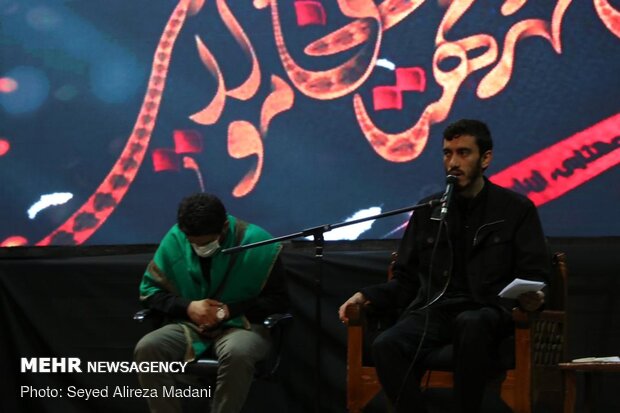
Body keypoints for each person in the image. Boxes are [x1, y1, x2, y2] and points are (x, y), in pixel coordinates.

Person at [338, 119, 549, 413]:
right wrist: (367, 295)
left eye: (463, 153)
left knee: (470, 323)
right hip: (435, 312)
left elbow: (535, 274)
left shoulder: (515, 209)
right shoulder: (429, 210)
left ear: (485, 158)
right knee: (386, 344)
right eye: (447, 153)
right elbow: (406, 279)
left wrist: (533, 297)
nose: (453, 162)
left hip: (487, 312)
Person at [134, 193, 288, 413]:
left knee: (238, 352)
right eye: (193, 243)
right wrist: (188, 307)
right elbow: (150, 293)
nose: (199, 248)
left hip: (241, 324)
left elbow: (279, 301)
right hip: (188, 325)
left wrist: (228, 311)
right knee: (148, 347)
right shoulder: (177, 238)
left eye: (206, 243)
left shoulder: (257, 243)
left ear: (224, 226)